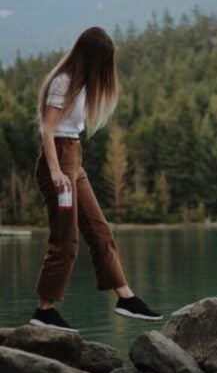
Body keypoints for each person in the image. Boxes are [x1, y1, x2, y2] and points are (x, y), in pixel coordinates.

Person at [30, 26, 162, 332]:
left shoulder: (82, 84)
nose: (106, 67)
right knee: (65, 240)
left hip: (74, 159)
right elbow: (47, 129)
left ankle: (125, 298)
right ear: (91, 56)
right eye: (103, 60)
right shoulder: (63, 82)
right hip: (60, 160)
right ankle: (44, 310)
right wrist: (55, 171)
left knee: (101, 232)